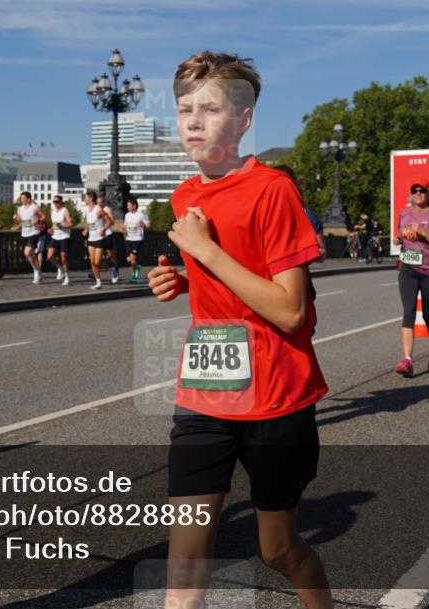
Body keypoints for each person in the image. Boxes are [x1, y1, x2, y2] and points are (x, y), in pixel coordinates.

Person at [147, 51, 333, 609]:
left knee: (277, 549)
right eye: (185, 110)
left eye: (210, 109)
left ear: (245, 120)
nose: (194, 122)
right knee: (185, 560)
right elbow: (229, 278)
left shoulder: (273, 189)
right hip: (206, 396)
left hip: (276, 399)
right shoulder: (185, 195)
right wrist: (185, 279)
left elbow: (290, 310)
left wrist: (203, 250)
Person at [392, 177, 429, 377]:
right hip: (408, 268)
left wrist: (424, 233)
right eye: (415, 190)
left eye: (422, 190)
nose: (418, 193)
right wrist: (399, 238)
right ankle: (407, 360)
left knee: (427, 314)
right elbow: (399, 235)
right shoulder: (404, 213)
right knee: (408, 313)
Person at [83, 191, 112, 290]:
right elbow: (89, 223)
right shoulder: (86, 209)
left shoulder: (98, 209)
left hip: (99, 238)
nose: (84, 199)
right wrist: (86, 229)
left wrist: (103, 229)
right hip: (91, 238)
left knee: (97, 262)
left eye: (85, 197)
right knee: (92, 262)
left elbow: (110, 221)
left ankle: (110, 268)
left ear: (91, 198)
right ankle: (98, 282)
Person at [14, 191, 45, 284]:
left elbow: (43, 217)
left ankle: (36, 270)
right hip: (25, 233)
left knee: (27, 252)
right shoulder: (19, 209)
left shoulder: (34, 207)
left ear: (28, 199)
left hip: (34, 233)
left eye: (23, 198)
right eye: (21, 198)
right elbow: (20, 221)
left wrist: (37, 221)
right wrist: (15, 218)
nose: (21, 200)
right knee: (31, 254)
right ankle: (38, 270)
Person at [122, 199, 150, 282]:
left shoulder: (141, 215)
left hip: (137, 239)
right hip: (128, 239)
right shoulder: (127, 215)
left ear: (134, 206)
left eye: (129, 205)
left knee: (133, 258)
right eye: (127, 205)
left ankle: (134, 276)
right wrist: (123, 227)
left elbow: (148, 226)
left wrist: (143, 225)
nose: (127, 207)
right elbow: (125, 224)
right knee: (129, 259)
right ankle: (137, 267)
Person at [48, 195, 73, 286]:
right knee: (50, 256)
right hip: (55, 236)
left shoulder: (65, 210)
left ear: (61, 202)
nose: (55, 203)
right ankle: (60, 268)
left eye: (57, 201)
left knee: (63, 257)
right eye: (54, 202)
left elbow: (70, 224)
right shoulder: (52, 211)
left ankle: (67, 277)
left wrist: (61, 226)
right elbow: (53, 225)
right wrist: (51, 229)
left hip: (64, 236)